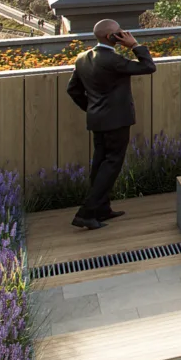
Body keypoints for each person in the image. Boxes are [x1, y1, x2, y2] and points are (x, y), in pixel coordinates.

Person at [64, 19, 156, 230]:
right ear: (111, 37)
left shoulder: (82, 58)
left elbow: (73, 90)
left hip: (98, 120)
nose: (123, 34)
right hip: (116, 121)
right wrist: (134, 46)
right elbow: (148, 67)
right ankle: (86, 213)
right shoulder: (112, 60)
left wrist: (92, 109)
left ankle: (102, 208)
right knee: (111, 164)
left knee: (100, 164)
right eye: (119, 33)